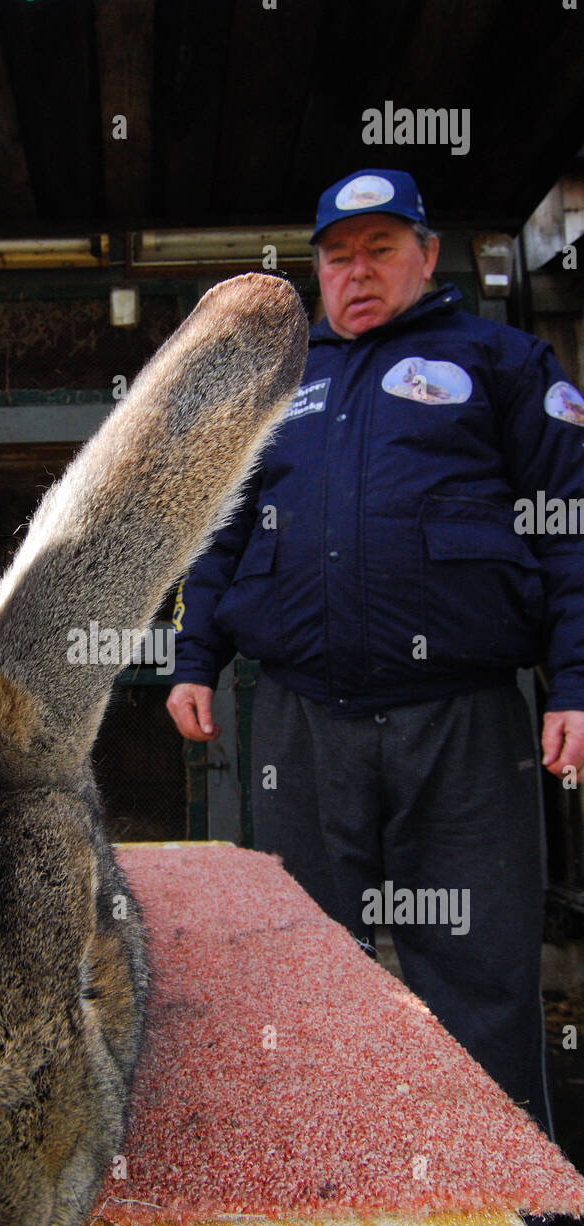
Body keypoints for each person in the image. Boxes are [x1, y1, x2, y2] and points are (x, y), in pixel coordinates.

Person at [166, 167, 584, 1137]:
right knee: (303, 961)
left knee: (478, 970)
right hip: (302, 724)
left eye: (380, 250)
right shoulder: (278, 385)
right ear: (315, 270)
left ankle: (510, 1212)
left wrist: (572, 678)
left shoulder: (503, 363)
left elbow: (568, 526)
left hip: (465, 726)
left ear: (426, 256)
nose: (356, 274)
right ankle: (321, 1175)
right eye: (337, 256)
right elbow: (219, 530)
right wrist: (194, 659)